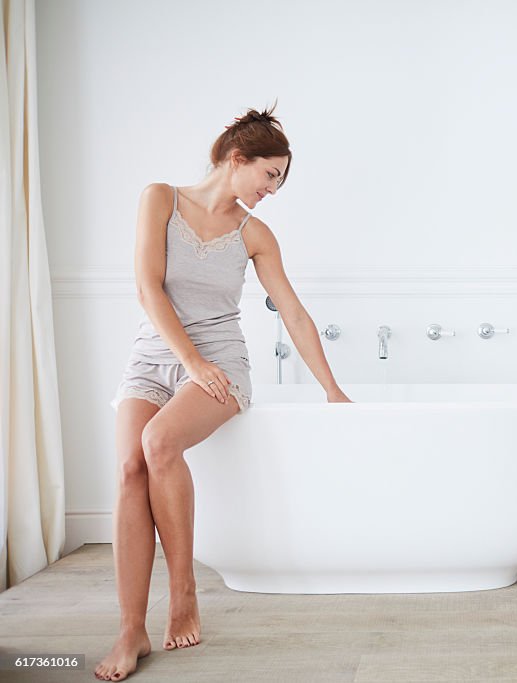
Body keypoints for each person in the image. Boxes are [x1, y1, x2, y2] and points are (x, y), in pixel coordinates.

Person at [95, 103, 352, 681]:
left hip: (222, 365)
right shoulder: (159, 198)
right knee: (130, 468)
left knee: (159, 442)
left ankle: (182, 590)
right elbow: (147, 286)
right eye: (270, 175)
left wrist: (332, 389)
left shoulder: (254, 233)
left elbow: (292, 311)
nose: (273, 189)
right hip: (153, 357)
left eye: (279, 181)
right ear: (238, 160)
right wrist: (186, 360)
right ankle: (130, 628)